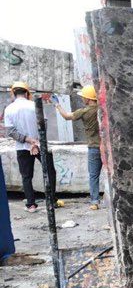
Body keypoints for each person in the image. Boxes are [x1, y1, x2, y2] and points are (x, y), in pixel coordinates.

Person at [3, 81, 58, 212]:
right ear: (27, 93)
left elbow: (11, 132)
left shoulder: (9, 109)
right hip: (40, 145)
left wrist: (28, 141)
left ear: (13, 93)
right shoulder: (34, 105)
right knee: (50, 171)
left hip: (22, 147)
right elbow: (43, 124)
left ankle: (31, 204)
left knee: (26, 176)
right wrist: (36, 141)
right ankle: (51, 201)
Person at [54, 85, 102, 210]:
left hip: (94, 147)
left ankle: (95, 202)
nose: (82, 99)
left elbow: (66, 116)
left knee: (94, 176)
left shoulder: (84, 111)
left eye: (83, 97)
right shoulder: (102, 109)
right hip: (105, 148)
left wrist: (57, 105)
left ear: (88, 99)